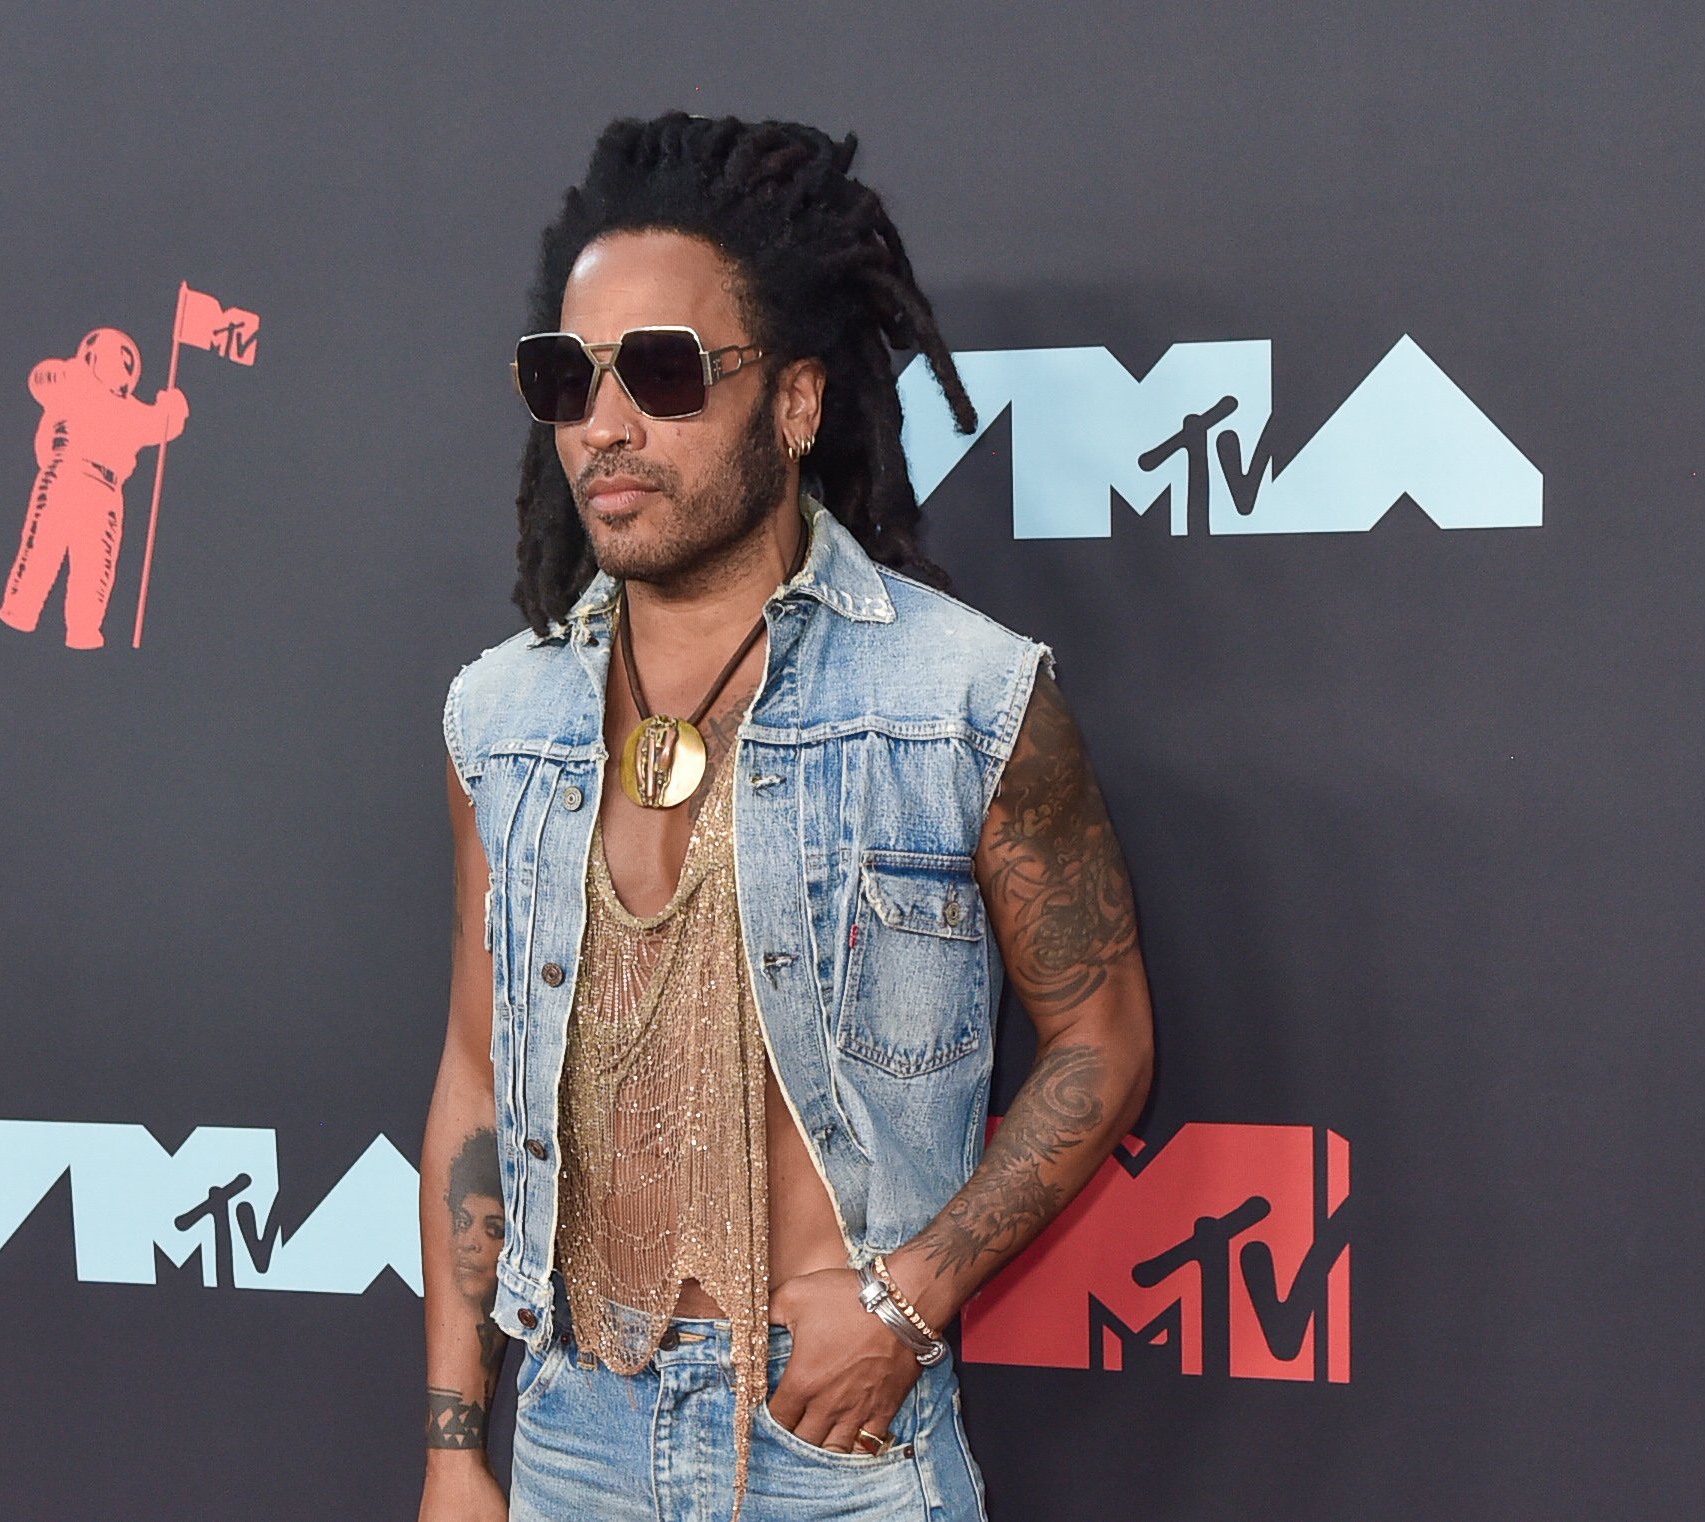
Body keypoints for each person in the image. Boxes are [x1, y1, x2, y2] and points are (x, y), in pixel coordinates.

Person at [418, 112, 1154, 1522]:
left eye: (664, 370)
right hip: (572, 1434)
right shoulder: (496, 718)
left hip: (838, 1448)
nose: (607, 422)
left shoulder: (963, 697)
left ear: (798, 402)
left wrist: (912, 1299)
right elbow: (470, 1069)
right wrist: (458, 1438)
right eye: (566, 379)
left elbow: (1103, 1039)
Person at [0, 328, 187, 650]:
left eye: (127, 362)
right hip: (66, 472)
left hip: (106, 491)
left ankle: (84, 631)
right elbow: (40, 379)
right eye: (116, 357)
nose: (122, 367)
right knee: (42, 547)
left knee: (95, 566)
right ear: (94, 355)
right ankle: (20, 612)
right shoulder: (72, 383)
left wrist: (173, 408)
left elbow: (162, 425)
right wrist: (71, 371)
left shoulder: (130, 411)